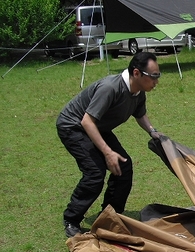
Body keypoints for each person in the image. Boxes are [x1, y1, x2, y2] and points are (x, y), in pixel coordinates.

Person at [56, 51, 163, 238]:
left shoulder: (138, 91)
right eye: (153, 77)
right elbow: (87, 121)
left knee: (124, 166)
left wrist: (153, 131)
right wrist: (107, 153)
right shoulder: (110, 88)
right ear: (136, 73)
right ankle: (71, 219)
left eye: (158, 76)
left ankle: (111, 215)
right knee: (95, 173)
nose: (156, 82)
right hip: (74, 126)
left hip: (98, 127)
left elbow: (139, 114)